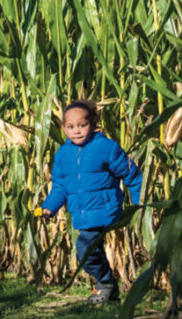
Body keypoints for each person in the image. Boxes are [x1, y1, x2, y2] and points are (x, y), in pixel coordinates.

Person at [40, 99, 143, 304]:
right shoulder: (63, 155)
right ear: (63, 128)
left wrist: (141, 205)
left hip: (105, 210)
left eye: (82, 125)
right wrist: (49, 207)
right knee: (88, 250)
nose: (76, 131)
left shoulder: (105, 147)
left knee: (85, 247)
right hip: (83, 214)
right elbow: (60, 187)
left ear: (93, 123)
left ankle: (105, 284)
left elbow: (132, 175)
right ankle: (108, 287)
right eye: (70, 127)